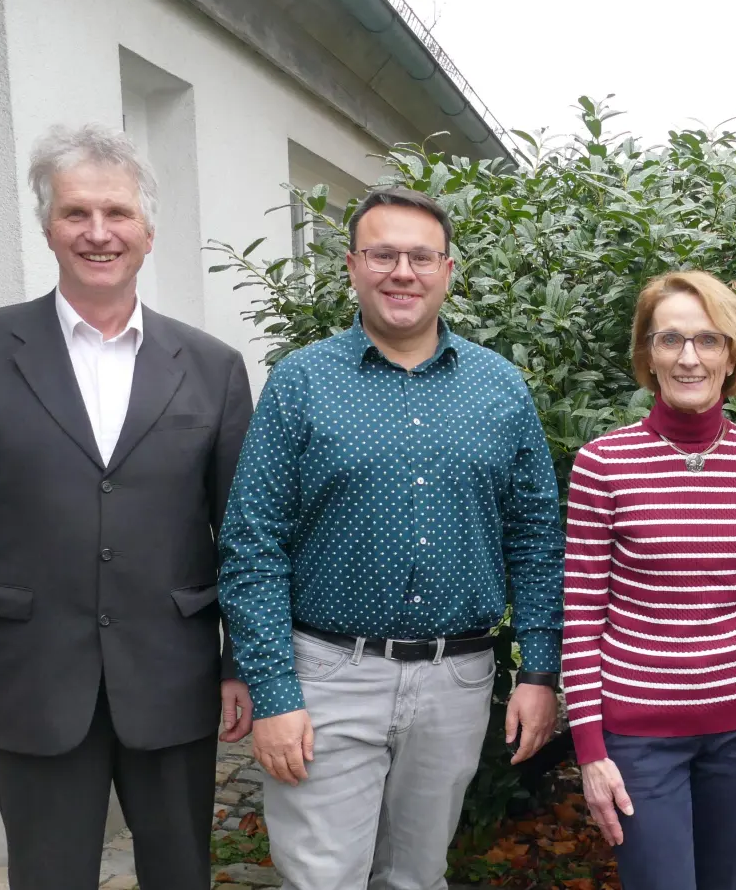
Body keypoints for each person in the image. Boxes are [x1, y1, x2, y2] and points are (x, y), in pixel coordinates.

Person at [0, 123, 254, 889]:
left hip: (173, 675)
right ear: (48, 227)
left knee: (181, 875)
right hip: (31, 678)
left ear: (148, 231)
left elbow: (242, 535)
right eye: (76, 213)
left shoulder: (213, 367)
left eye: (117, 212)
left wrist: (242, 663)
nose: (99, 232)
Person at [217, 186, 564, 890]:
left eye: (421, 257)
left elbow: (536, 539)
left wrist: (539, 672)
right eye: (382, 255)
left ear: (448, 271)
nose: (402, 272)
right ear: (352, 266)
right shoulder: (301, 382)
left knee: (418, 878)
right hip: (327, 676)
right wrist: (274, 691)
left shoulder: (499, 387)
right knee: (322, 880)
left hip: (457, 680)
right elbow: (252, 544)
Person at [561, 271, 736, 890]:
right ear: (648, 355)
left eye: (708, 339)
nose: (689, 357)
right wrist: (590, 749)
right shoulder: (602, 464)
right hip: (638, 734)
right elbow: (582, 617)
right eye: (670, 339)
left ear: (733, 356)